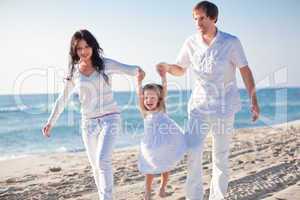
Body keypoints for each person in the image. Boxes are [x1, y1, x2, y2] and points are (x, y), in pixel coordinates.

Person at [156, 1, 260, 200]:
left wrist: (254, 100)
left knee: (220, 157)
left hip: (224, 106)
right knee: (193, 152)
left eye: (202, 18)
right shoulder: (191, 42)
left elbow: (245, 70)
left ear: (213, 18)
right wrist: (168, 67)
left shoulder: (230, 42)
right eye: (195, 18)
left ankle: (217, 197)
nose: (198, 22)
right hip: (198, 106)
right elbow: (181, 68)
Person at [42, 29, 144, 200]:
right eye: (79, 48)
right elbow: (63, 98)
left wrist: (139, 74)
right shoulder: (73, 72)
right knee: (95, 166)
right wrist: (50, 121)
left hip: (110, 119)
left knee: (103, 160)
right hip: (88, 123)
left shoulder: (105, 64)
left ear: (93, 46)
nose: (84, 51)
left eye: (87, 46)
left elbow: (133, 70)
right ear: (74, 51)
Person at [136, 69, 186, 200]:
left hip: (166, 142)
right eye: (146, 98)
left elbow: (164, 91)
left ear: (159, 99)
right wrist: (139, 81)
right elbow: (139, 95)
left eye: (152, 98)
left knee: (166, 165)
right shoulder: (145, 112)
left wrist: (164, 77)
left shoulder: (161, 108)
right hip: (150, 145)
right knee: (149, 168)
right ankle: (147, 191)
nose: (148, 100)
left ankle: (163, 187)